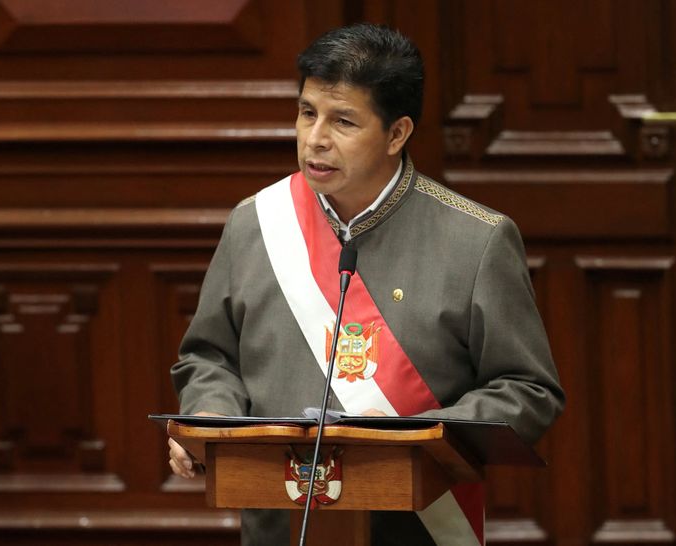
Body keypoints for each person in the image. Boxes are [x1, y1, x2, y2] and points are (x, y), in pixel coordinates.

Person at [169, 23, 564, 546]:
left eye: (343, 121)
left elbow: (529, 390)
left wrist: (414, 437)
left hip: (417, 528)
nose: (315, 139)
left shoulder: (477, 240)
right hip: (281, 526)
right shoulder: (257, 223)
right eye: (307, 112)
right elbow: (208, 356)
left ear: (396, 133)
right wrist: (209, 416)